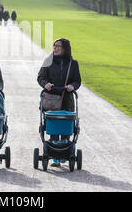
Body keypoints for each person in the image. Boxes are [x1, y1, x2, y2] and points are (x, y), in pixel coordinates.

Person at [37, 38, 81, 167]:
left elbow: (77, 80)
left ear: (65, 49)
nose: (55, 48)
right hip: (51, 99)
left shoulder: (73, 63)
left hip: (66, 99)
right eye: (54, 46)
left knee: (66, 126)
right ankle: (55, 155)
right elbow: (40, 77)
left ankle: (65, 153)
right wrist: (46, 84)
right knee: (53, 126)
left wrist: (72, 86)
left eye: (58, 47)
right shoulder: (48, 61)